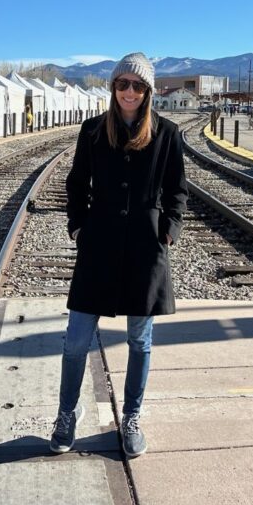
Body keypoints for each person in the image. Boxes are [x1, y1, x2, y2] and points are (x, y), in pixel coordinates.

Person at [50, 52, 188, 459]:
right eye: (123, 83)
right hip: (98, 246)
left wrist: (169, 232)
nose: (129, 91)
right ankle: (65, 417)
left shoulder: (166, 134)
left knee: (139, 342)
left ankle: (131, 419)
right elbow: (76, 184)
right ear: (113, 88)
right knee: (76, 342)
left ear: (148, 92)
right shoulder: (92, 131)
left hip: (145, 249)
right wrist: (78, 226)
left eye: (138, 85)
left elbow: (177, 190)